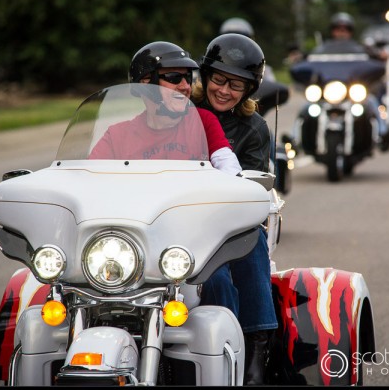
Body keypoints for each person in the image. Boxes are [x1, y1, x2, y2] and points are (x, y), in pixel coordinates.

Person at [191, 33, 277, 385]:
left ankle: (255, 344)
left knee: (246, 241)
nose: (225, 90)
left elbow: (251, 192)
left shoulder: (254, 128)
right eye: (219, 79)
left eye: (237, 85)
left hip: (229, 219)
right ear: (206, 75)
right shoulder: (183, 112)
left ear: (250, 90)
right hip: (176, 217)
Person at [89, 41, 241, 176]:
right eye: (174, 77)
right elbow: (89, 178)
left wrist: (235, 182)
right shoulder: (117, 136)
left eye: (188, 78)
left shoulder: (203, 121)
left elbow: (227, 163)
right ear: (146, 84)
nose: (186, 86)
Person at [310, 12, 388, 140]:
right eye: (338, 29)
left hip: (351, 91)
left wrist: (379, 56)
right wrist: (298, 57)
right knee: (307, 107)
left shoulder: (359, 48)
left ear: (350, 31)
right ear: (332, 31)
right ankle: (294, 138)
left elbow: (374, 58)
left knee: (371, 102)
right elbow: (308, 60)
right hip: (327, 92)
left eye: (345, 29)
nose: (341, 32)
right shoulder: (322, 49)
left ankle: (382, 132)